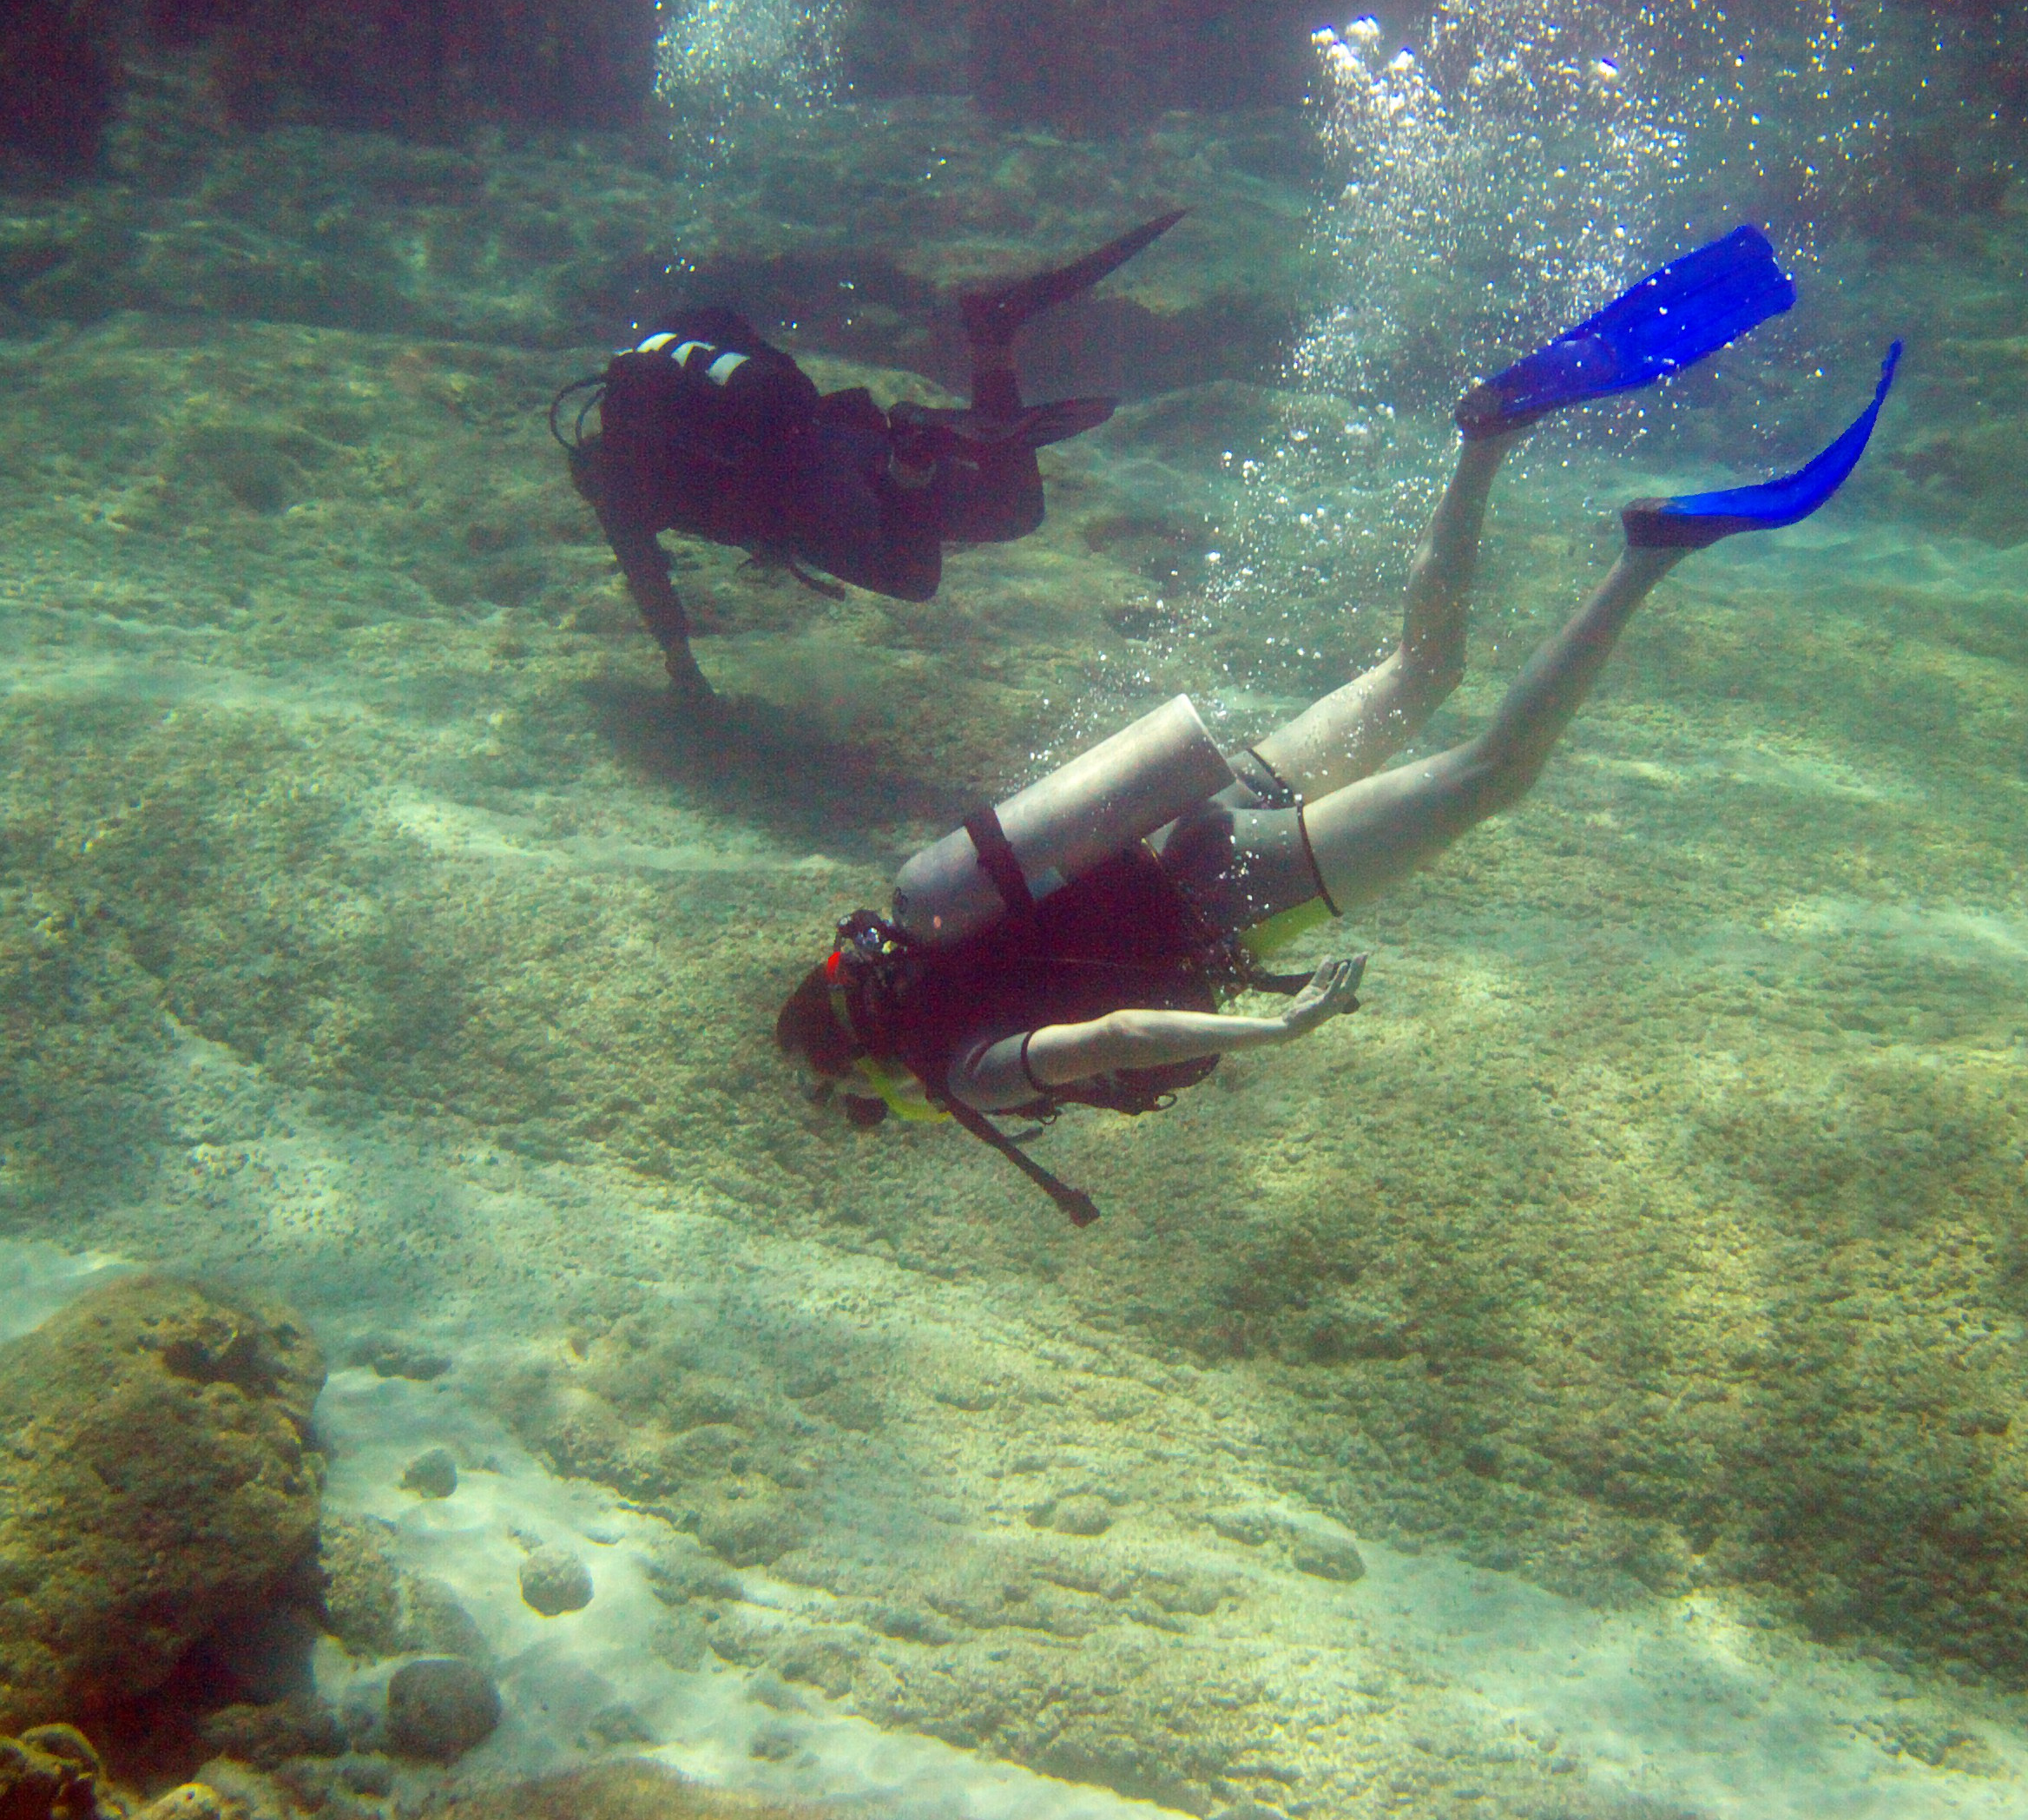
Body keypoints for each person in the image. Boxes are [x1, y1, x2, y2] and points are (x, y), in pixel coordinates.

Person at [774, 225, 1902, 1223]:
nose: (872, 1119)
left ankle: (1648, 554)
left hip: (1229, 894)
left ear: (859, 1071)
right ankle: (1484, 440)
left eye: (851, 1110)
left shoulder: (962, 1073)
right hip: (1193, 821)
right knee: (1420, 671)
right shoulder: (926, 947)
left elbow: (1112, 1043)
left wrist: (1272, 1033)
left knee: (1492, 773)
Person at [551, 212, 1188, 702]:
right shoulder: (694, 378)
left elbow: (649, 583)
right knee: (1013, 509)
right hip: (833, 435)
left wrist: (682, 670)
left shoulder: (616, 479)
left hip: (809, 499)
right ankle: (992, 336)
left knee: (913, 579)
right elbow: (774, 370)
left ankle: (913, 456)